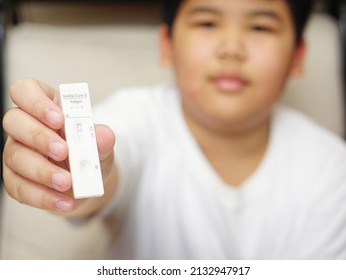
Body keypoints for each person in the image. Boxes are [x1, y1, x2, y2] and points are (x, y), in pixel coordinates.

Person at [2, 0, 346, 259]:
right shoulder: (139, 116)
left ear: (298, 55)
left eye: (260, 28)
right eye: (208, 23)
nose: (231, 49)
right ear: (167, 45)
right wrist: (72, 168)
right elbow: (108, 162)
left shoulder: (332, 167)